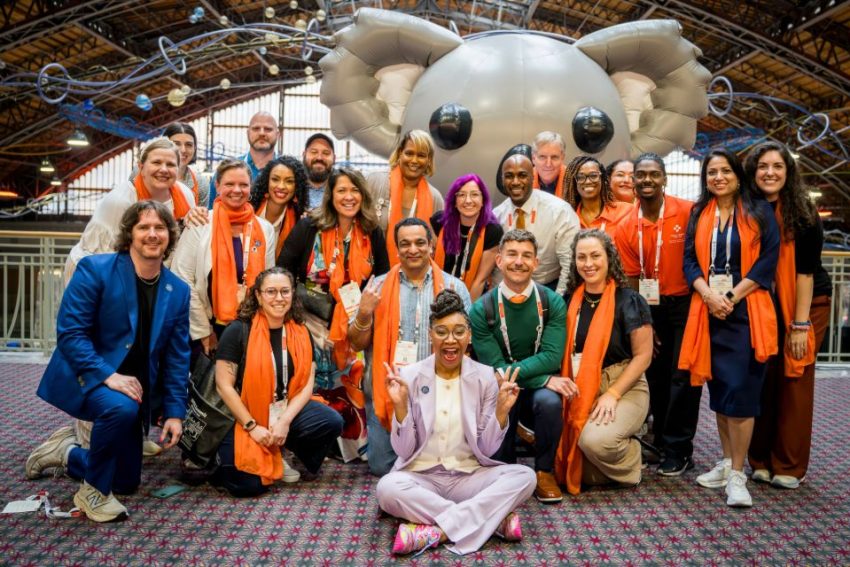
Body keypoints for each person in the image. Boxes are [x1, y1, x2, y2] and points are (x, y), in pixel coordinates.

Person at [27, 201, 190, 522]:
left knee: (126, 481)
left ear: (170, 235)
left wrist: (174, 412)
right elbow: (71, 335)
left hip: (133, 391)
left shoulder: (178, 290)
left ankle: (67, 453)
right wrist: (109, 376)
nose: (152, 234)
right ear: (129, 233)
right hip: (88, 375)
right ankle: (92, 493)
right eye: (144, 227)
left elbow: (176, 357)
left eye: (160, 228)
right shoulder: (96, 270)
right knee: (121, 405)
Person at [375, 290, 536, 556]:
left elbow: (487, 448)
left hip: (469, 477)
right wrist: (401, 407)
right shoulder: (411, 376)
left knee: (524, 476)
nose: (451, 340)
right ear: (431, 335)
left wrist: (501, 412)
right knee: (387, 489)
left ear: (469, 336)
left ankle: (434, 530)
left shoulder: (484, 377)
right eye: (442, 332)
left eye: (459, 331)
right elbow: (404, 452)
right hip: (421, 477)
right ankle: (489, 521)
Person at [679, 147, 779, 508]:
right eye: (711, 172)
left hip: (744, 312)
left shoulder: (759, 211)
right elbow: (689, 260)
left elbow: (767, 262)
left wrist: (730, 297)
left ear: (738, 175)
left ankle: (739, 474)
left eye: (724, 171)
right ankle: (726, 461)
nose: (717, 177)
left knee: (742, 395)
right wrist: (707, 295)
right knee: (721, 394)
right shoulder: (699, 213)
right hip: (709, 311)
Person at [279, 166, 390, 455]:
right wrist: (299, 319)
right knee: (309, 381)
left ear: (363, 195)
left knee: (356, 374)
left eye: (354, 190)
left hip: (356, 326)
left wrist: (364, 319)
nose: (348, 196)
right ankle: (312, 443)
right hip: (308, 322)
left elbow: (384, 277)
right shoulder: (309, 227)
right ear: (331, 195)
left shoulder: (372, 231)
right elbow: (284, 271)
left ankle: (350, 446)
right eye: (342, 190)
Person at [348, 217, 471, 475]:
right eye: (405, 244)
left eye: (419, 243)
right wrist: (363, 314)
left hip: (437, 390)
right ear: (397, 248)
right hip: (388, 390)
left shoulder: (453, 287)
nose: (412, 249)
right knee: (382, 466)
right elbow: (355, 342)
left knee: (437, 465)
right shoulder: (376, 288)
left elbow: (466, 346)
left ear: (430, 245)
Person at [744, 141, 832, 490]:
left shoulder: (803, 212)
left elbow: (805, 274)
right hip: (765, 303)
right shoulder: (748, 209)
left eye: (777, 166)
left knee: (793, 380)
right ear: (753, 172)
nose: (770, 172)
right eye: (763, 166)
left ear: (788, 171)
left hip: (806, 303)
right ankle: (761, 459)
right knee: (764, 380)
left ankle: (789, 464)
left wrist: (799, 325)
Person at [210, 267, 344, 496]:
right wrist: (252, 426)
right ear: (259, 297)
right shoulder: (238, 330)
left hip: (282, 408)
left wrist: (285, 421)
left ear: (294, 294)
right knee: (247, 486)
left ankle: (280, 450)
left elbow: (307, 386)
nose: (279, 298)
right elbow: (224, 385)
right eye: (271, 292)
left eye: (285, 291)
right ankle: (222, 461)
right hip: (242, 414)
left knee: (331, 421)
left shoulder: (301, 331)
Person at [614, 153, 701, 476]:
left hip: (687, 303)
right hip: (651, 306)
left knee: (683, 375)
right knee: (657, 374)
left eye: (653, 174)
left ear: (664, 179)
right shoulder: (626, 225)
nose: (647, 180)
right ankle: (663, 441)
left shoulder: (688, 212)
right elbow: (633, 280)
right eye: (641, 175)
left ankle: (679, 448)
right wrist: (645, 323)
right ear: (634, 180)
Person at [470, 229, 568, 503]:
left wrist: (540, 383)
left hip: (532, 391)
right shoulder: (481, 309)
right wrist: (543, 379)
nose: (519, 262)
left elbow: (551, 358)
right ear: (499, 260)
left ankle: (544, 472)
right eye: (512, 254)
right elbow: (497, 369)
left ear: (536, 263)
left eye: (527, 256)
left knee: (550, 402)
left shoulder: (552, 302)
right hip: (500, 389)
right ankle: (505, 469)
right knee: (504, 398)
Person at [554, 229, 652, 494]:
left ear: (609, 257)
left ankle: (632, 458)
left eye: (595, 255)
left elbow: (643, 356)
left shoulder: (629, 300)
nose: (588, 264)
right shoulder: (567, 301)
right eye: (581, 257)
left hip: (623, 386)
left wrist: (613, 393)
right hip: (579, 386)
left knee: (595, 443)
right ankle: (603, 463)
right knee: (575, 467)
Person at [171, 159, 276, 353]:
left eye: (243, 185)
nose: (237, 190)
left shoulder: (264, 229)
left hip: (252, 326)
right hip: (207, 327)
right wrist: (203, 331)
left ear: (250, 187)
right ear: (217, 186)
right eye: (229, 184)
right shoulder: (200, 223)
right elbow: (181, 277)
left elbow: (268, 281)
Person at [65, 137, 195, 281]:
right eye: (156, 162)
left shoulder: (186, 195)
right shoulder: (121, 201)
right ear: (141, 167)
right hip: (94, 271)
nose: (163, 169)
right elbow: (109, 255)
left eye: (170, 164)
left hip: (149, 271)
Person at [492, 153, 580, 294]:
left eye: (522, 175)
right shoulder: (496, 216)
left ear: (533, 177)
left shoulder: (559, 211)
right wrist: (497, 297)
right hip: (508, 289)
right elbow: (496, 268)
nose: (515, 182)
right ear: (502, 180)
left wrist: (556, 301)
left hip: (549, 287)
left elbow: (569, 263)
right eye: (509, 176)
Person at [364, 129, 444, 265]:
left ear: (428, 160)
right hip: (371, 271)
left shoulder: (435, 198)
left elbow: (436, 245)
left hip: (413, 275)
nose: (414, 160)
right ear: (400, 153)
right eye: (409, 153)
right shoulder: (374, 181)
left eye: (421, 155)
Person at [430, 174, 504, 301]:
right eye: (462, 195)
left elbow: (480, 281)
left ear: (483, 201)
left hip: (472, 297)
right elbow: (430, 266)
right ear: (454, 201)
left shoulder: (493, 231)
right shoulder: (439, 222)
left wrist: (465, 315)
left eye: (474, 194)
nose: (468, 200)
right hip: (436, 293)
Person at [209, 111, 279, 202]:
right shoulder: (226, 169)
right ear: (248, 133)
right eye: (256, 128)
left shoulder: (288, 172)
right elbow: (211, 210)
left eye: (268, 129)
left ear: (278, 135)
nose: (262, 133)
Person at [249, 155, 309, 260]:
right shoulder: (250, 208)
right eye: (275, 179)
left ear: (297, 186)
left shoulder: (299, 219)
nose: (281, 186)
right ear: (267, 181)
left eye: (289, 181)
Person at [564, 155, 630, 237]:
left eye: (593, 176)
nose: (588, 181)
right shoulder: (567, 218)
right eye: (580, 177)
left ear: (602, 179)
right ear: (574, 182)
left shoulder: (627, 211)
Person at [163, 122, 212, 207]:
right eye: (176, 144)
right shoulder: (144, 174)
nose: (183, 150)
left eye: (189, 145)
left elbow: (201, 218)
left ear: (195, 148)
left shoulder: (201, 184)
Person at [302, 133, 336, 210]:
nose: (319, 158)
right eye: (314, 152)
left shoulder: (341, 188)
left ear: (334, 158)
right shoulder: (292, 186)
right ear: (304, 155)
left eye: (326, 153)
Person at [531, 131, 567, 198]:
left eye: (554, 157)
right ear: (533, 158)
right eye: (542, 157)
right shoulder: (524, 182)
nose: (548, 164)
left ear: (562, 158)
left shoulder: (575, 183)